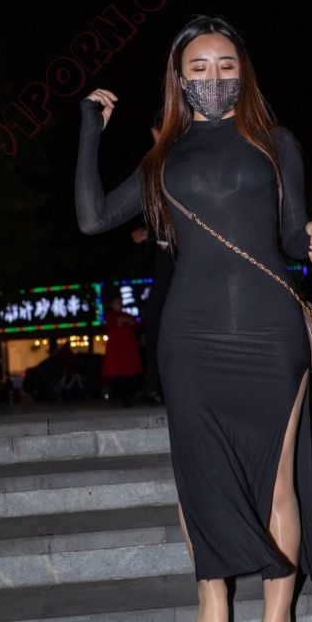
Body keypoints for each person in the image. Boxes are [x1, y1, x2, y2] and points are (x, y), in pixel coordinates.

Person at [75, 14, 312, 622]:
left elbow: (289, 233)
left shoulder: (275, 143)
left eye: (226, 64)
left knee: (277, 484)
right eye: (199, 66)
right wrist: (90, 132)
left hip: (269, 328)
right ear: (178, 77)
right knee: (199, 476)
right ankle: (211, 596)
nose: (213, 76)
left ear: (243, 73)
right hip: (188, 334)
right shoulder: (163, 157)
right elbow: (93, 218)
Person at [129, 111, 175, 405]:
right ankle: (153, 384)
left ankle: (163, 384)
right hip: (165, 252)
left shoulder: (180, 157)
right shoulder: (156, 165)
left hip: (188, 254)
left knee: (170, 318)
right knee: (155, 317)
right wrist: (148, 232)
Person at [102, 295, 144, 403]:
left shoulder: (126, 315)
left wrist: (127, 321)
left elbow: (137, 325)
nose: (119, 304)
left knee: (129, 373)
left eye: (120, 302)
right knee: (119, 373)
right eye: (117, 302)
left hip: (128, 349)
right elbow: (112, 327)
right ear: (112, 304)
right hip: (117, 350)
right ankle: (121, 397)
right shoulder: (110, 316)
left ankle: (129, 396)